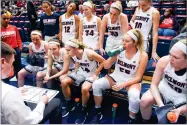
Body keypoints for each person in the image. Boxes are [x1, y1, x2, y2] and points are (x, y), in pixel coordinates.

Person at [90, 29, 148, 124]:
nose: (124, 43)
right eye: (123, 40)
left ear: (135, 42)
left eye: (127, 41)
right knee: (96, 84)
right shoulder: (119, 51)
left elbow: (138, 78)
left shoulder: (142, 55)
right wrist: (113, 56)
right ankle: (97, 110)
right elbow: (106, 66)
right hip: (116, 77)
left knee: (134, 96)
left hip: (131, 80)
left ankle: (132, 119)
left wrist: (123, 85)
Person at [1, 42, 62, 124]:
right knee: (56, 102)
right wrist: (42, 103)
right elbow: (29, 122)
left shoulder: (8, 91)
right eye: (12, 63)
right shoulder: (8, 93)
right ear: (2, 62)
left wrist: (16, 91)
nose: (12, 67)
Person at [140, 39, 187, 124]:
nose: (170, 59)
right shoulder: (164, 61)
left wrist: (180, 110)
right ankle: (145, 121)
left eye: (175, 57)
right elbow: (154, 85)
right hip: (164, 89)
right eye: (170, 54)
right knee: (145, 100)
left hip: (183, 96)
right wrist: (161, 106)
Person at [60, 39, 105, 120]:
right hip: (81, 72)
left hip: (92, 73)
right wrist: (75, 71)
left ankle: (84, 107)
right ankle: (69, 102)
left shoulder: (89, 53)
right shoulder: (73, 53)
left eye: (68, 50)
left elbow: (103, 61)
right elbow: (77, 61)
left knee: (84, 88)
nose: (67, 52)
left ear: (75, 48)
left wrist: (96, 73)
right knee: (64, 82)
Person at [1, 10, 22, 80]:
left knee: (18, 68)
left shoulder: (13, 27)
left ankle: (19, 84)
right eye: (4, 18)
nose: (6, 20)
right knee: (4, 70)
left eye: (8, 18)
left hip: (15, 50)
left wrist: (20, 48)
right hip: (5, 52)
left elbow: (18, 38)